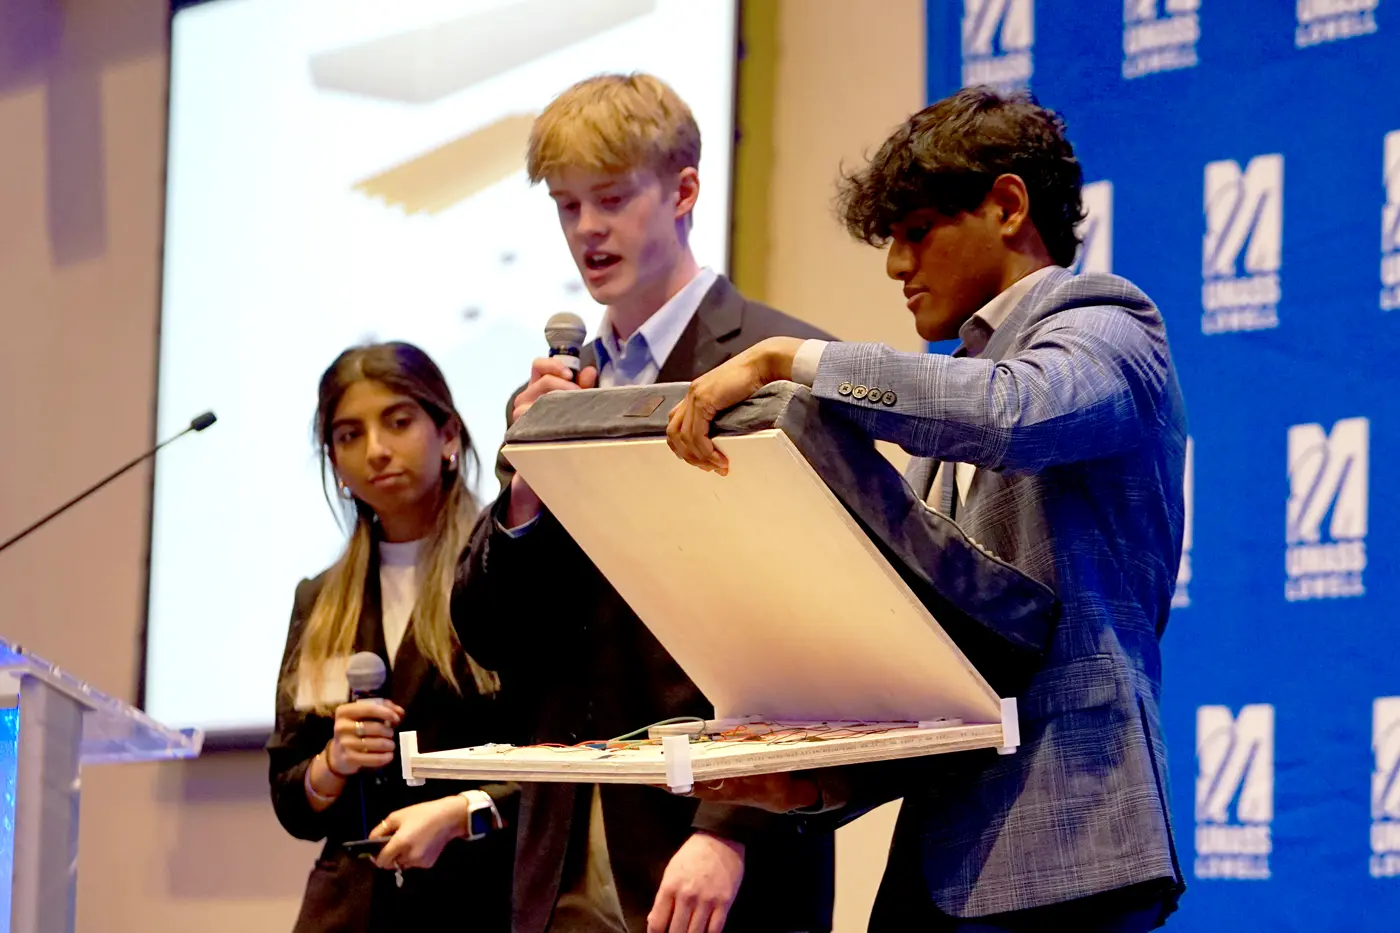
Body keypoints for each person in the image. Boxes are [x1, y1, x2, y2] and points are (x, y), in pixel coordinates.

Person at [666, 87, 1188, 932]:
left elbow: (1016, 412)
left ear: (1008, 205)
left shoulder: (1112, 323)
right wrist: (818, 781)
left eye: (916, 232)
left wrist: (786, 359)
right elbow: (937, 675)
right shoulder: (949, 404)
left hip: (1075, 841)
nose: (894, 266)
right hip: (944, 854)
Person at [460, 73, 836, 933]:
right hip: (559, 850)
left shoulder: (783, 364)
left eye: (612, 198)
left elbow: (813, 628)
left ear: (685, 192)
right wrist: (524, 491)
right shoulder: (556, 392)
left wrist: (731, 824)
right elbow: (490, 636)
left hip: (715, 855)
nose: (587, 230)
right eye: (566, 207)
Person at [268, 341, 517, 933]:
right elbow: (290, 797)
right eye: (349, 436)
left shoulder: (504, 573)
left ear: (448, 435)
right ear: (335, 464)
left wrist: (464, 812)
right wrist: (331, 763)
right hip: (347, 910)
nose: (375, 450)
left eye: (399, 422)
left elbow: (564, 757)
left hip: (478, 900)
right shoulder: (320, 599)